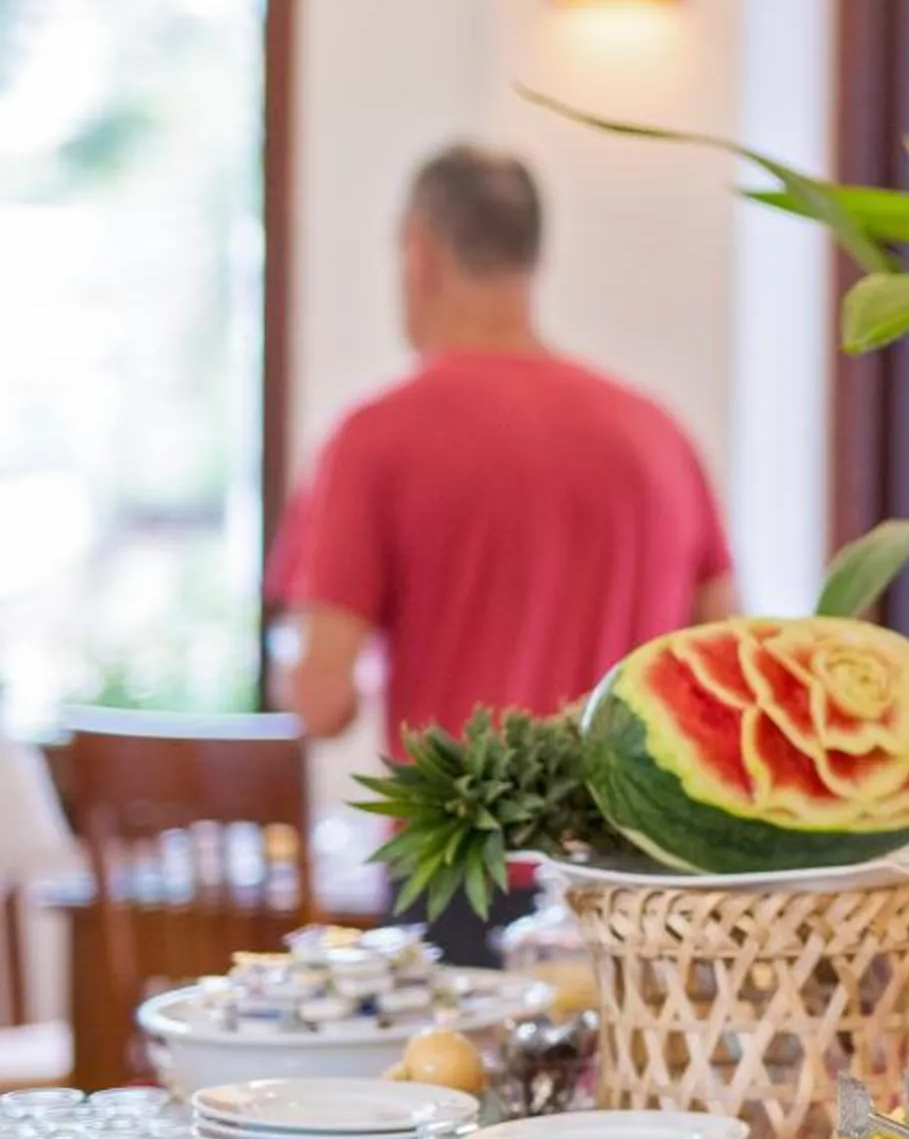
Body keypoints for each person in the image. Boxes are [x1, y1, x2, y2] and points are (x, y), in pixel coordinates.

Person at [272, 144, 736, 962]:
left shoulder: (375, 438)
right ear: (533, 256)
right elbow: (723, 668)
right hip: (632, 880)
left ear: (419, 251)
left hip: (460, 876)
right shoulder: (657, 435)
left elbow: (320, 700)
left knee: (450, 1091)